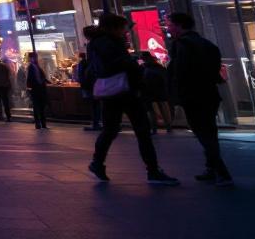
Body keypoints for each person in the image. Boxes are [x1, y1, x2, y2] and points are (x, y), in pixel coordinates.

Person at [87, 14, 178, 185]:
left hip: (112, 90)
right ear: (114, 28)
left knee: (111, 129)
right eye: (123, 28)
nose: (125, 32)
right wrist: (133, 64)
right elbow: (118, 64)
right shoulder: (110, 43)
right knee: (141, 131)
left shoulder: (97, 42)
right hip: (124, 89)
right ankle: (152, 170)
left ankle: (97, 162)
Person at [168, 12, 232, 185]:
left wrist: (176, 93)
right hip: (209, 92)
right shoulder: (207, 44)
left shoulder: (181, 45)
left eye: (170, 24)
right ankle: (211, 168)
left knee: (203, 133)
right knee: (210, 131)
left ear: (179, 25)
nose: (168, 28)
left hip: (192, 94)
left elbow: (179, 71)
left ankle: (221, 171)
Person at [140, 51, 172, 135]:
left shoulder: (144, 68)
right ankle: (168, 126)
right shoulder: (159, 67)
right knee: (164, 107)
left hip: (149, 91)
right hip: (161, 90)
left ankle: (154, 128)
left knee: (151, 110)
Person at [75, 44, 102, 131]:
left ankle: (96, 123)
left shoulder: (84, 64)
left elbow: (80, 77)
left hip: (90, 87)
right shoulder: (90, 63)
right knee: (96, 105)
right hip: (93, 87)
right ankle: (97, 123)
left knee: (95, 105)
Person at [25, 52, 49, 129]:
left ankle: (43, 123)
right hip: (36, 89)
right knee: (37, 107)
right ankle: (39, 123)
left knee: (41, 106)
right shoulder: (31, 67)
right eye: (34, 57)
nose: (35, 58)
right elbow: (30, 79)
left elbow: (41, 77)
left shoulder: (36, 66)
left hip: (40, 88)